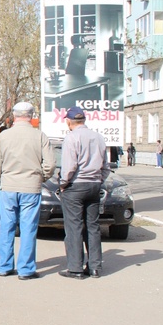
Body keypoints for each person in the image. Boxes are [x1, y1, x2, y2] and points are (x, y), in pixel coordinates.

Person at [0, 102, 55, 280]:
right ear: (31, 116)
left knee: (6, 227)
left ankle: (4, 266)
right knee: (28, 228)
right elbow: (50, 164)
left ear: (13, 116)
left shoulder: (4, 136)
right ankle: (25, 269)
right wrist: (41, 177)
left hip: (8, 187)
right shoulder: (40, 136)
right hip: (30, 187)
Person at [58, 107, 110, 280]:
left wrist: (63, 184)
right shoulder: (98, 137)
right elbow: (106, 167)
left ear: (68, 121)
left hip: (75, 186)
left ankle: (75, 268)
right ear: (84, 120)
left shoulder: (71, 138)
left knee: (74, 227)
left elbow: (69, 166)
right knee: (93, 226)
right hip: (94, 185)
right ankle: (95, 266)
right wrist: (98, 180)